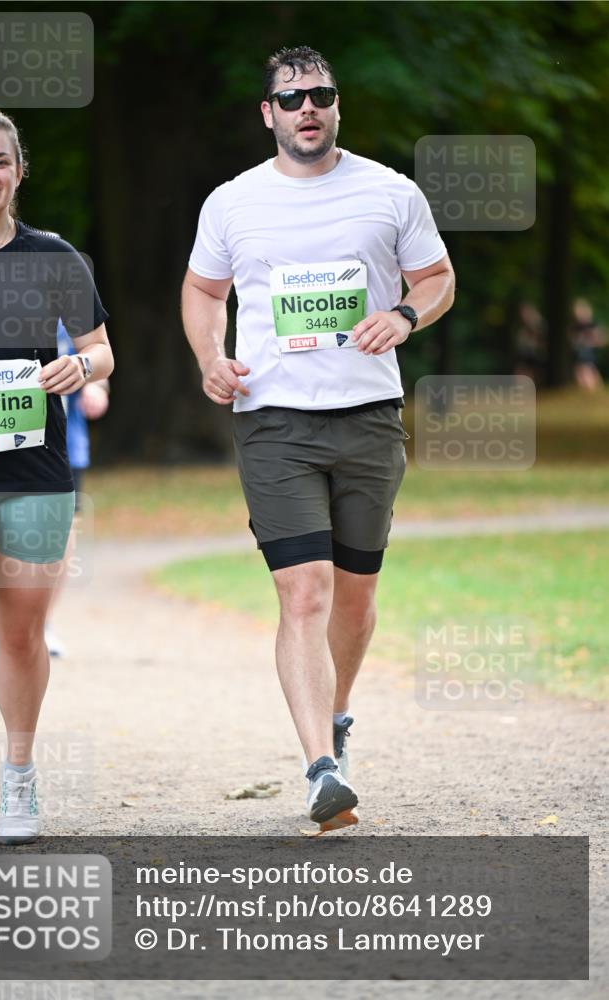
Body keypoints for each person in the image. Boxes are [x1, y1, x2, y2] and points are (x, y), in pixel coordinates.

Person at [182, 47, 454, 830]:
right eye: (292, 98)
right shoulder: (232, 202)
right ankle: (320, 768)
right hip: (273, 422)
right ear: (267, 113)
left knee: (355, 595)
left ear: (336, 106)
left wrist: (404, 314)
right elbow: (203, 290)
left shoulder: (389, 192)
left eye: (321, 95)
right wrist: (210, 356)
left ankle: (335, 711)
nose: (308, 108)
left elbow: (436, 279)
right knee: (303, 591)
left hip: (367, 415)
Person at [0, 109, 114, 859]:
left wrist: (81, 367)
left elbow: (102, 351)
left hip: (36, 470)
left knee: (19, 634)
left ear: (17, 172)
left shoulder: (54, 258)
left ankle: (19, 777)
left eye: (0, 161)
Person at [44, 320, 110, 658]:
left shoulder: (60, 285)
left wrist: (98, 388)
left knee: (61, 530)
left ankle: (43, 622)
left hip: (63, 442)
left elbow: (95, 352)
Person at [569, 298, 607, 392]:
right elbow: (571, 342)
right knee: (582, 379)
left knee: (591, 380)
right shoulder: (574, 328)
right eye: (578, 311)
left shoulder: (593, 326)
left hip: (589, 360)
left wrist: (591, 341)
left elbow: (602, 340)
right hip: (578, 361)